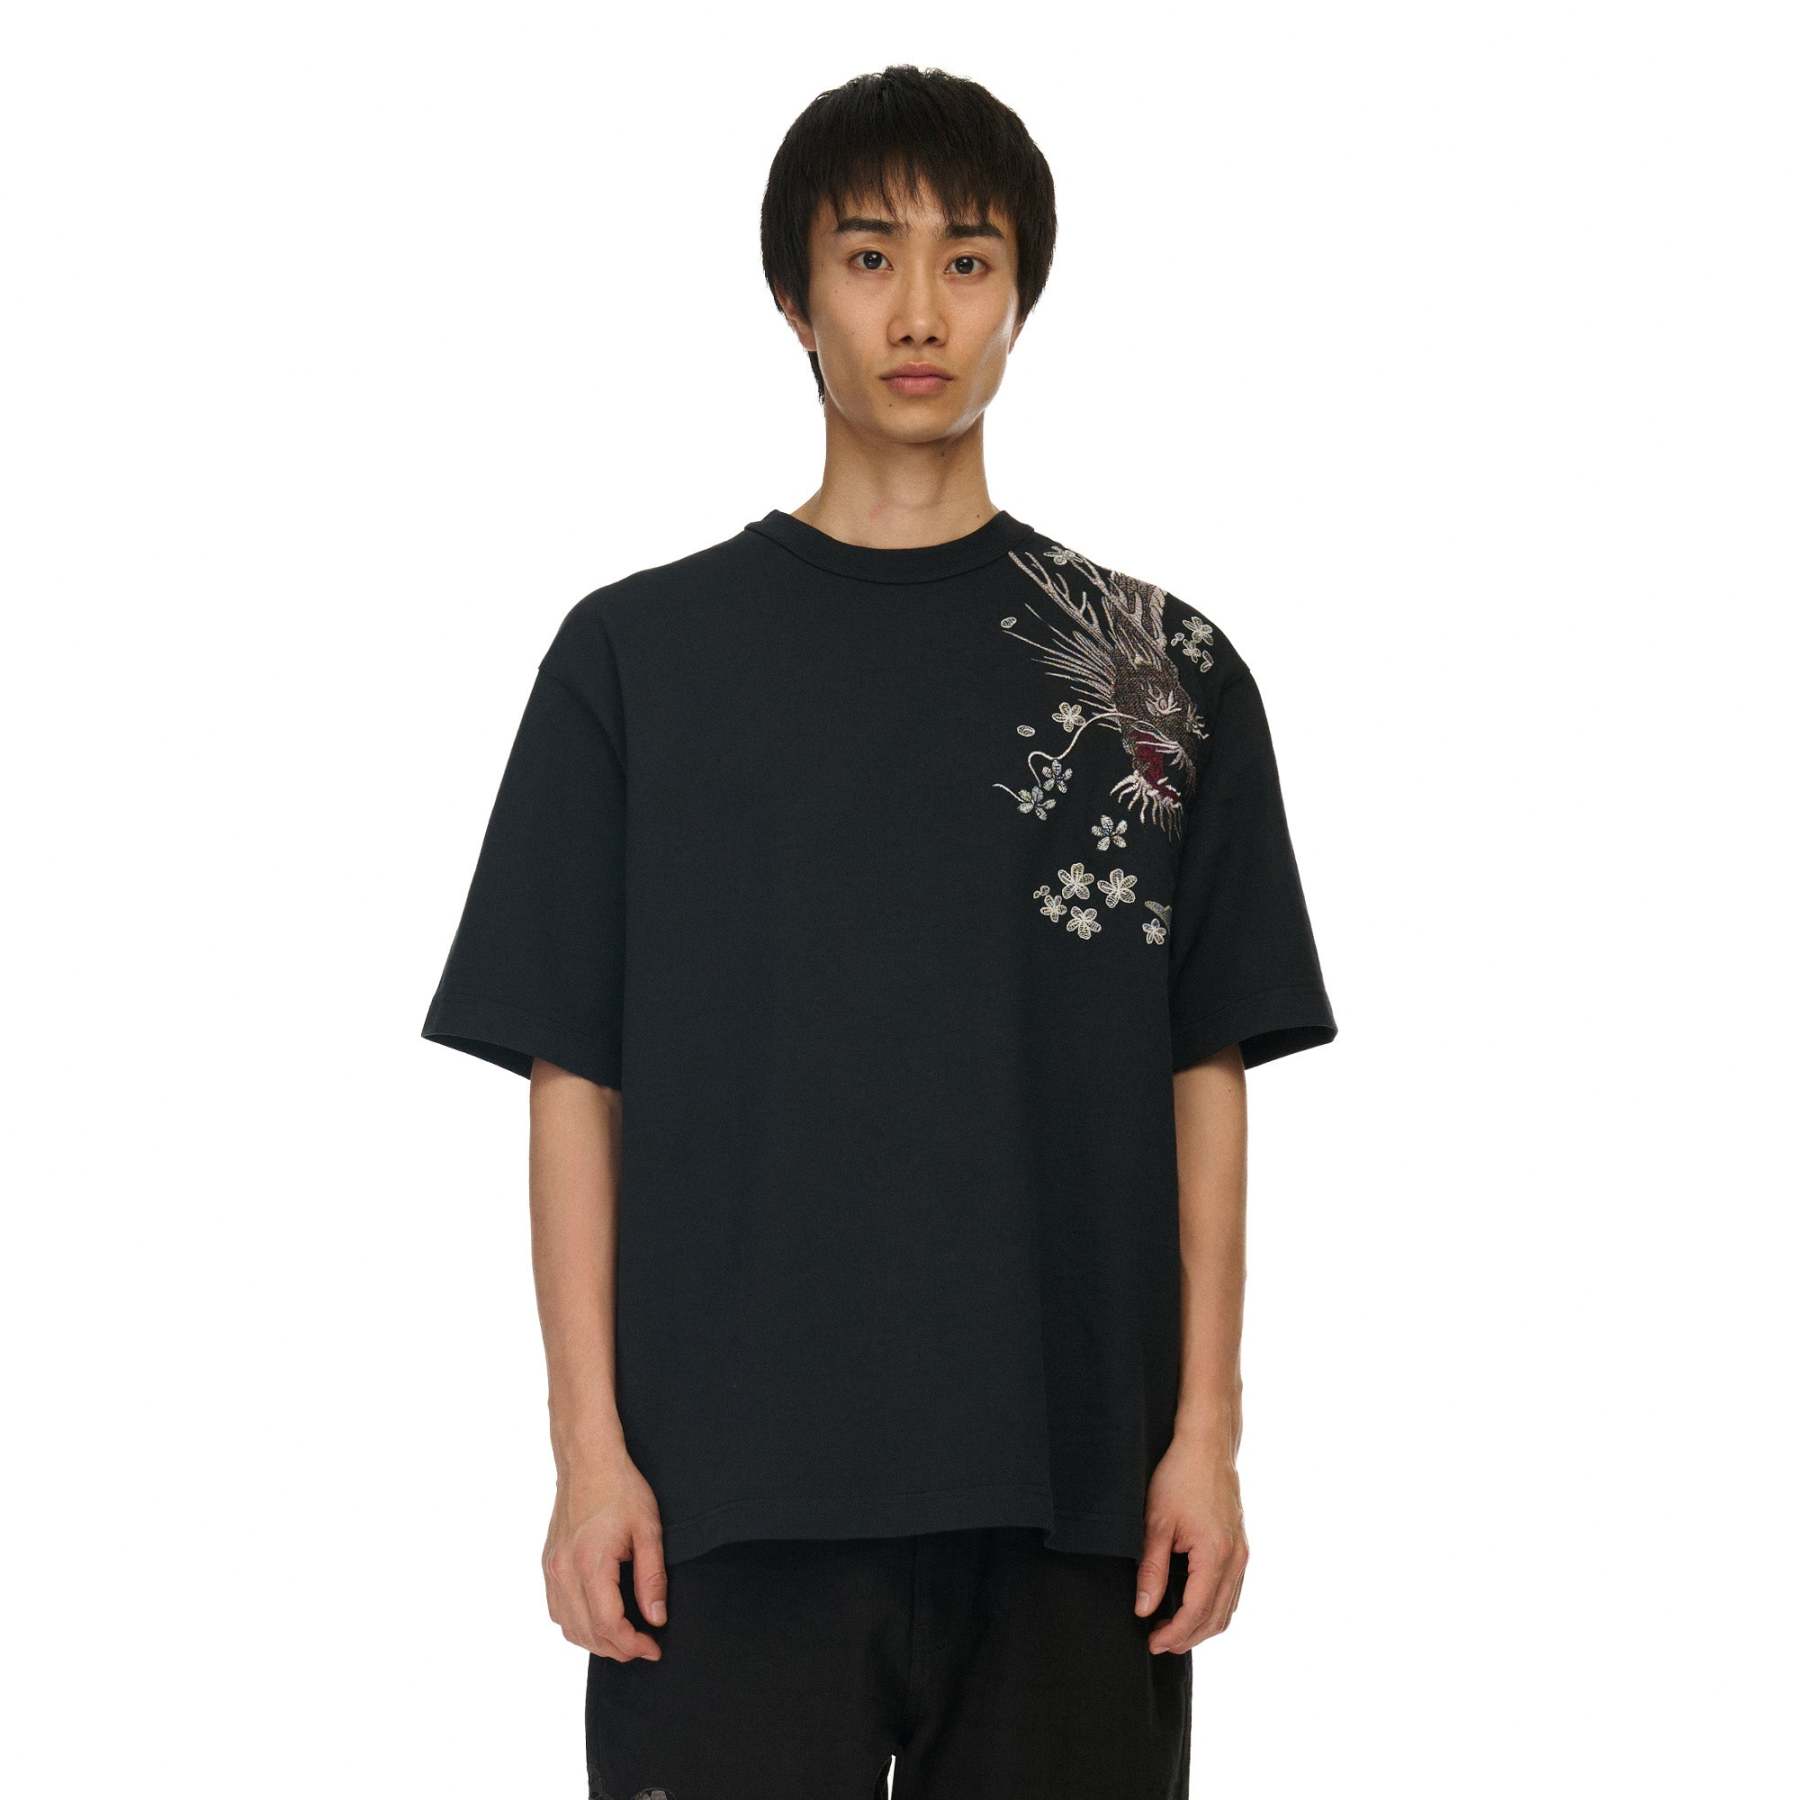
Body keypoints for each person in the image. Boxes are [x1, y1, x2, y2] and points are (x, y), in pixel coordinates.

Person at [421, 62, 1337, 1800]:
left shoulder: (1155, 674)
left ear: (1022, 296)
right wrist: (587, 1453)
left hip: (1074, 1498)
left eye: (968, 260)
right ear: (795, 298)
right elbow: (571, 1081)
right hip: (723, 1504)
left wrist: (1207, 1438)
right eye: (868, 257)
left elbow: (1203, 1072)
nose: (921, 311)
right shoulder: (637, 662)